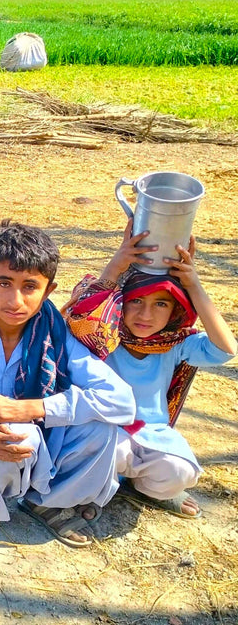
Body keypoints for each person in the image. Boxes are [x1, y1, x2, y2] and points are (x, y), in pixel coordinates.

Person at [0, 221, 136, 547]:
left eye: (30, 286)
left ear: (48, 291)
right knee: (10, 431)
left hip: (38, 441)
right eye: (4, 282)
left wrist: (34, 408)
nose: (15, 300)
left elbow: (122, 402)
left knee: (102, 429)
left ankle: (47, 501)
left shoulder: (56, 338)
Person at [63, 222, 237, 518]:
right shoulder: (104, 333)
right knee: (110, 451)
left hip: (150, 434)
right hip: (103, 430)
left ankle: (134, 485)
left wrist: (194, 284)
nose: (146, 314)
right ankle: (95, 487)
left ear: (175, 310)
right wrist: (116, 266)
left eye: (160, 304)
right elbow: (77, 318)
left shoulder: (173, 343)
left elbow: (226, 349)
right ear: (121, 303)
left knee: (180, 472)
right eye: (136, 301)